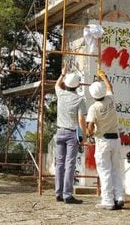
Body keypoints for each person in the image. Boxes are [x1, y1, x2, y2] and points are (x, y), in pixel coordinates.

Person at [87, 69, 124, 210]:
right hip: (116, 139)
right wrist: (103, 76)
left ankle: (108, 201)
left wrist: (90, 132)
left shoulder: (93, 108)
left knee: (105, 171)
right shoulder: (110, 99)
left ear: (92, 95)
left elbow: (90, 127)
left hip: (103, 141)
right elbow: (109, 87)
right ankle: (119, 197)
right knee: (115, 170)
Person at [54, 65, 87, 204]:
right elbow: (81, 120)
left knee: (59, 164)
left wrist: (62, 74)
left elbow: (57, 84)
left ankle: (58, 193)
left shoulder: (60, 93)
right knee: (70, 164)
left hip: (59, 131)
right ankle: (67, 195)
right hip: (71, 133)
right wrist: (83, 135)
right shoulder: (80, 100)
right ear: (78, 85)